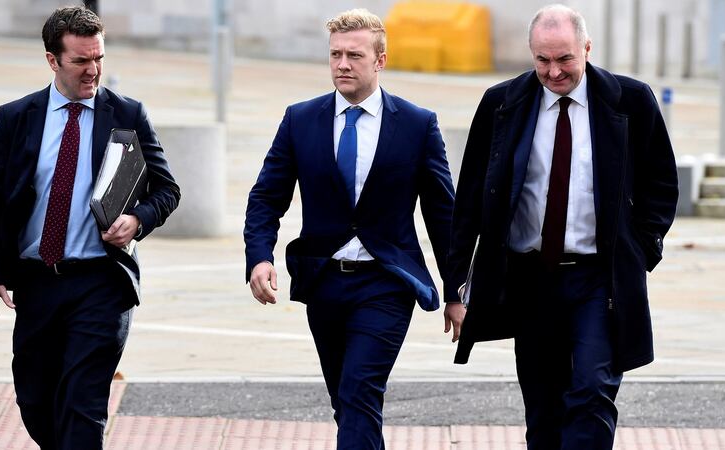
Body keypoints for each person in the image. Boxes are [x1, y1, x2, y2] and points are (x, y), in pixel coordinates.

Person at [445, 4, 678, 449]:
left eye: (565, 59)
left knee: (591, 392)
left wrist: (641, 250)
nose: (553, 72)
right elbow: (471, 197)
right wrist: (458, 285)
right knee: (544, 408)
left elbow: (660, 184)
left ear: (587, 49)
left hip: (599, 279)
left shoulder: (630, 100)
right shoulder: (502, 104)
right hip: (530, 279)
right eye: (542, 60)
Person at [0, 6, 180, 449]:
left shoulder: (127, 114)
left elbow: (167, 190)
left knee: (83, 404)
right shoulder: (17, 117)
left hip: (102, 282)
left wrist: (137, 220)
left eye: (98, 58)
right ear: (52, 60)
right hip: (37, 282)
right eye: (81, 61)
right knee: (36, 402)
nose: (93, 70)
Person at [244, 8, 456, 449]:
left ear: (380, 61)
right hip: (324, 284)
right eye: (336, 54)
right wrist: (259, 256)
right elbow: (267, 196)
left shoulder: (417, 125)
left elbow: (443, 215)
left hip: (387, 282)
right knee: (348, 401)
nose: (342, 64)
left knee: (360, 390)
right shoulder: (300, 120)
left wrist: (456, 292)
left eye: (354, 55)